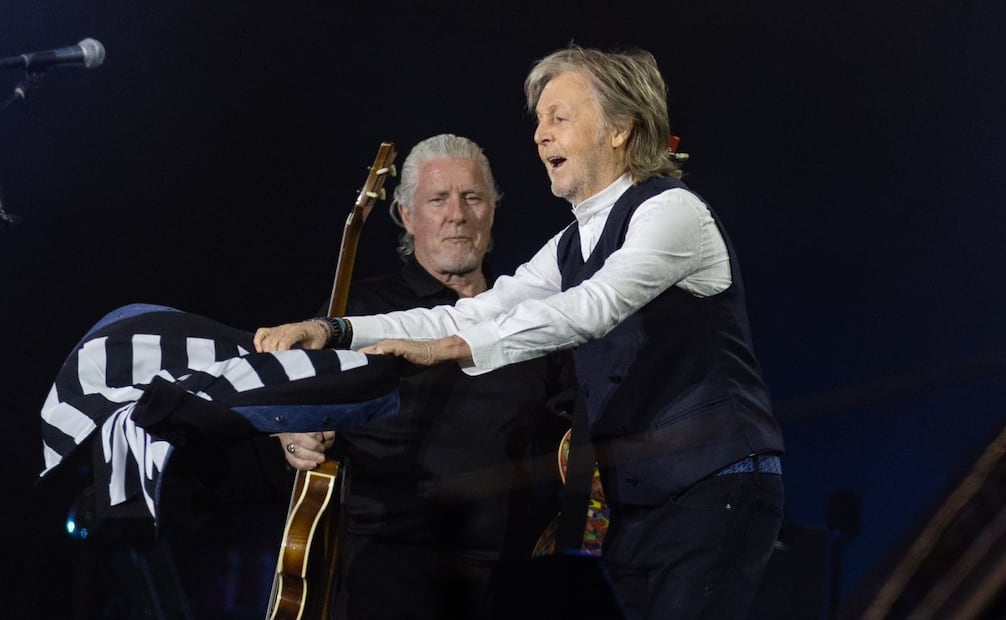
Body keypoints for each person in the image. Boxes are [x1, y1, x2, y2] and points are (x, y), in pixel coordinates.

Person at [256, 46, 785, 620]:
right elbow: (469, 313)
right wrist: (332, 330)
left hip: (713, 481)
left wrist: (450, 348)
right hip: (641, 501)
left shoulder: (672, 210)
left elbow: (593, 307)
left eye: (559, 117)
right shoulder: (569, 244)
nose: (540, 135)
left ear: (619, 129)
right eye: (539, 120)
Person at [269, 134, 573, 620]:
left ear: (492, 212)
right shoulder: (358, 313)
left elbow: (576, 431)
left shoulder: (531, 317)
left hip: (510, 578)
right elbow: (289, 401)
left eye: (472, 197)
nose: (458, 214)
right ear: (408, 216)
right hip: (390, 574)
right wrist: (291, 429)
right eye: (438, 199)